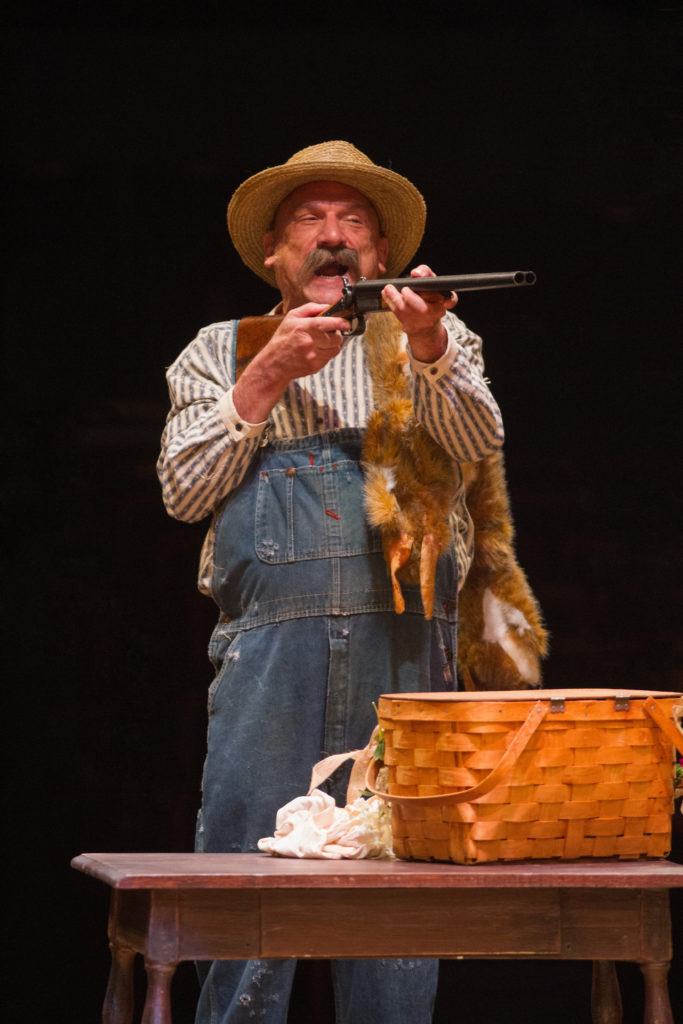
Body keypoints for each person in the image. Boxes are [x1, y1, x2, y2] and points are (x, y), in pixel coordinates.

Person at [157, 141, 505, 1024]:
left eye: (354, 221)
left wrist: (427, 341)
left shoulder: (433, 334)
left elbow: (475, 443)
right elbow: (182, 491)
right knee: (246, 877)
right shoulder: (219, 348)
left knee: (401, 884)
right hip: (270, 650)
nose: (332, 236)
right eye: (309, 220)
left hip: (406, 649)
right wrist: (269, 371)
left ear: (381, 258)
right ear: (273, 253)